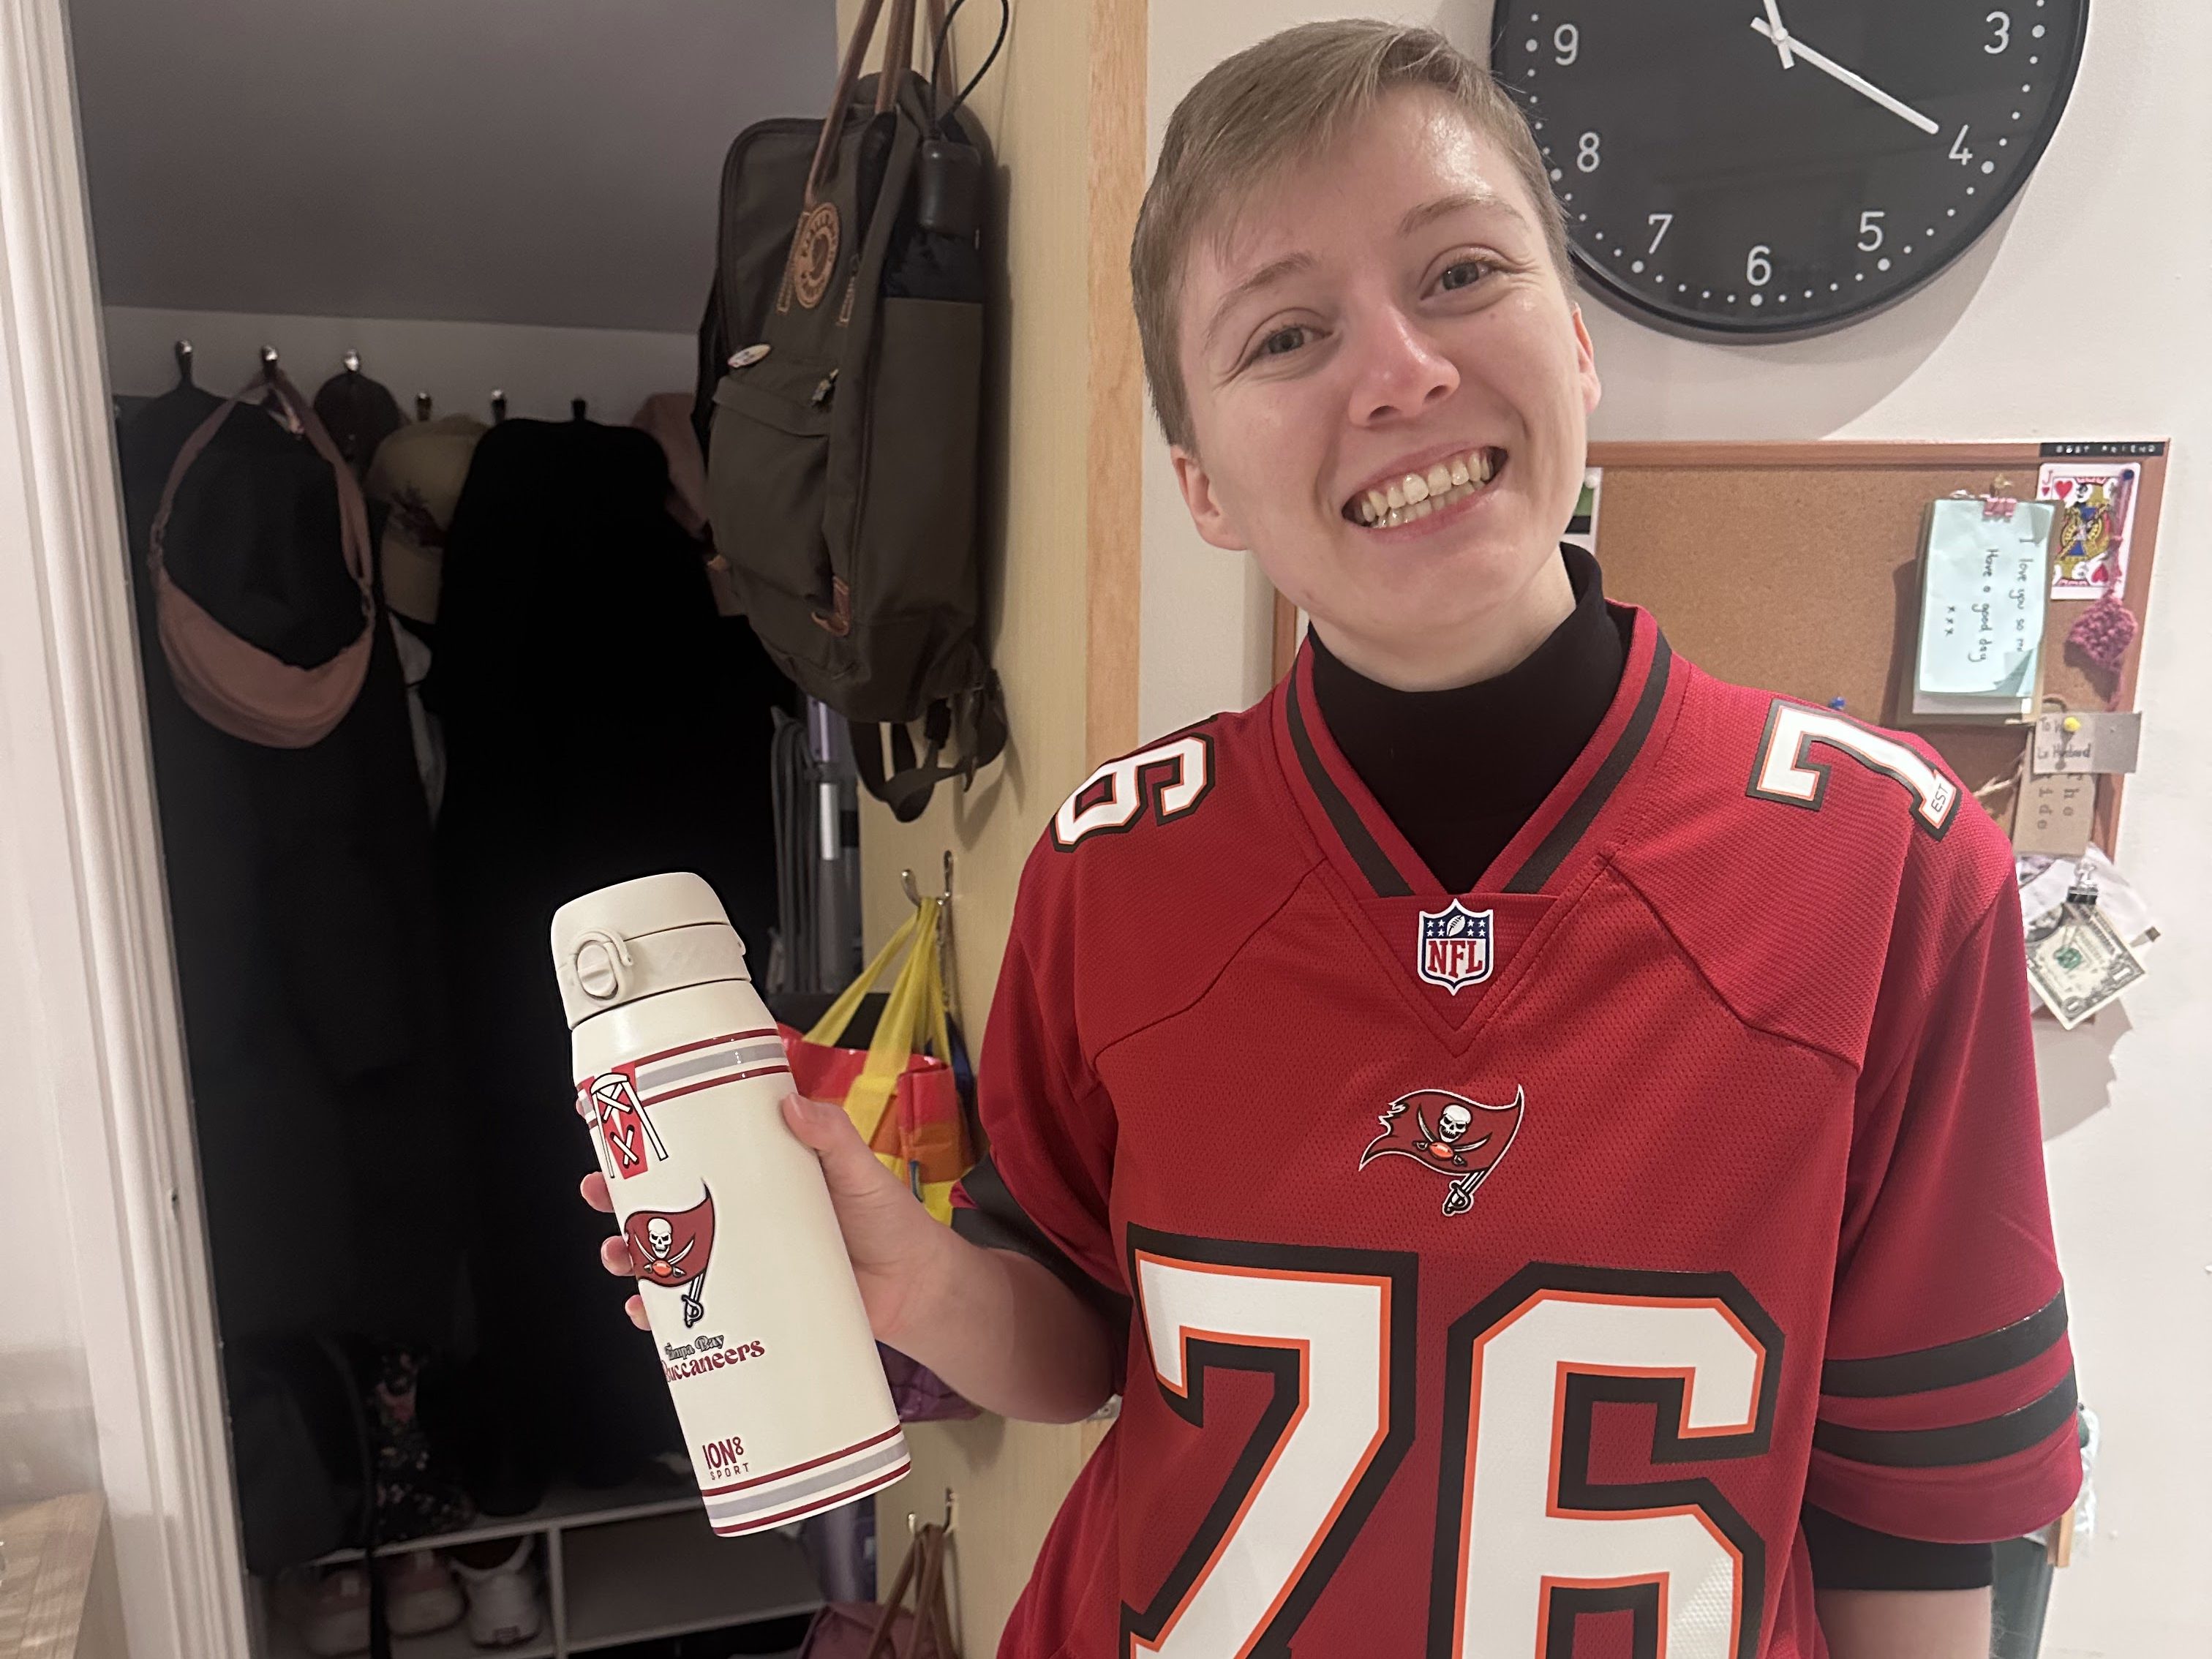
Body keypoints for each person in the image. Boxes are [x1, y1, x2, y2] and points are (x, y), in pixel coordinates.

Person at [587, 21, 2080, 1657]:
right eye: (1287, 333)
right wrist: (912, 1281)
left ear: (1580, 344)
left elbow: (1925, 1508)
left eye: (1460, 274)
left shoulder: (1887, 865)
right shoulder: (1113, 865)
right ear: (1203, 486)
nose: (1399, 372)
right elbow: (1082, 1336)